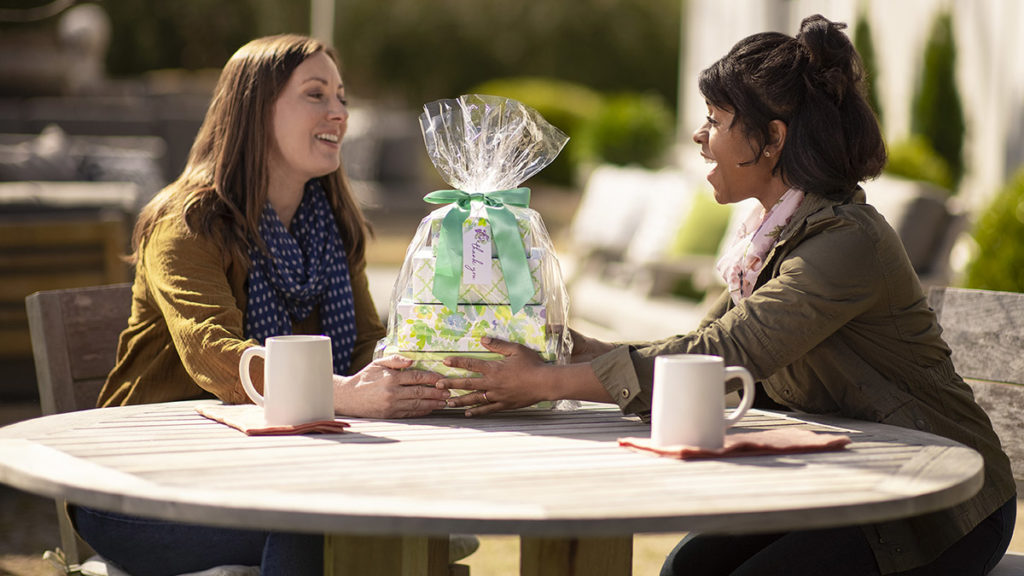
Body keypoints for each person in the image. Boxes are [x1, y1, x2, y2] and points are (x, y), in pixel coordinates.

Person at [437, 15, 1016, 576]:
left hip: (941, 503)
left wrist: (545, 382)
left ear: (769, 141)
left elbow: (725, 355)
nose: (698, 135)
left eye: (714, 118)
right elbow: (699, 347)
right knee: (687, 567)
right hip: (852, 477)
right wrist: (586, 352)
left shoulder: (845, 243)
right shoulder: (769, 240)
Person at [73, 34, 451, 576]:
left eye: (341, 97)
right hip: (138, 489)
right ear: (253, 110)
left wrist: (424, 365)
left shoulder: (334, 226)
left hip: (273, 475)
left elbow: (368, 344)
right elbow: (215, 354)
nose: (339, 112)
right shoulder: (186, 224)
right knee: (319, 519)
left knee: (398, 511)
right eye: (316, 94)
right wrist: (343, 393)